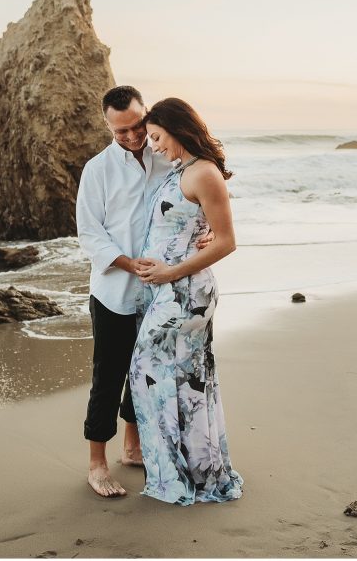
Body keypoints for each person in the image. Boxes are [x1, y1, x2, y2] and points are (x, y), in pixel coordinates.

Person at [75, 86, 212, 498]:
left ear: (147, 116)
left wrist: (208, 232)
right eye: (122, 132)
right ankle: (97, 464)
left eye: (138, 127)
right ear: (108, 126)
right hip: (114, 291)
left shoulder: (165, 154)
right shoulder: (97, 170)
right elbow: (89, 232)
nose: (133, 137)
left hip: (161, 293)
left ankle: (132, 448)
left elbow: (202, 196)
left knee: (147, 372)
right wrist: (126, 263)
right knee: (109, 376)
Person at [129, 97, 244, 505]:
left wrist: (170, 272)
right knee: (184, 379)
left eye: (157, 137)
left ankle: (176, 476)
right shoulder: (184, 169)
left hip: (187, 292)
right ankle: (193, 471)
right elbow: (199, 228)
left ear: (177, 129)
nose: (154, 145)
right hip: (170, 289)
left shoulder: (205, 174)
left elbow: (227, 241)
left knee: (148, 370)